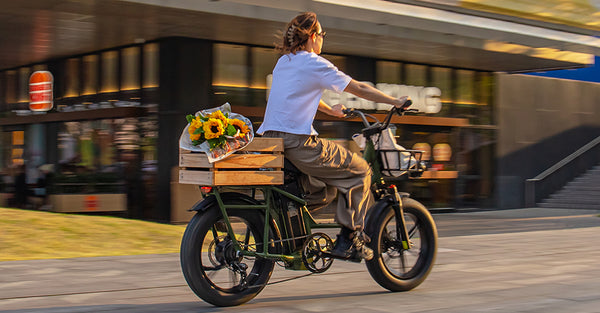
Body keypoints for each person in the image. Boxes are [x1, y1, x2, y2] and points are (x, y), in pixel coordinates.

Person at [257, 12, 411, 260]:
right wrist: (396, 101)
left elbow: (296, 94)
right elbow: (358, 87)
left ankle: (293, 226)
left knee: (326, 188)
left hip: (270, 140)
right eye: (322, 35)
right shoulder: (314, 62)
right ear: (313, 36)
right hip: (298, 143)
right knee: (360, 171)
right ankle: (349, 240)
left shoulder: (284, 62)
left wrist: (332, 111)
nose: (323, 40)